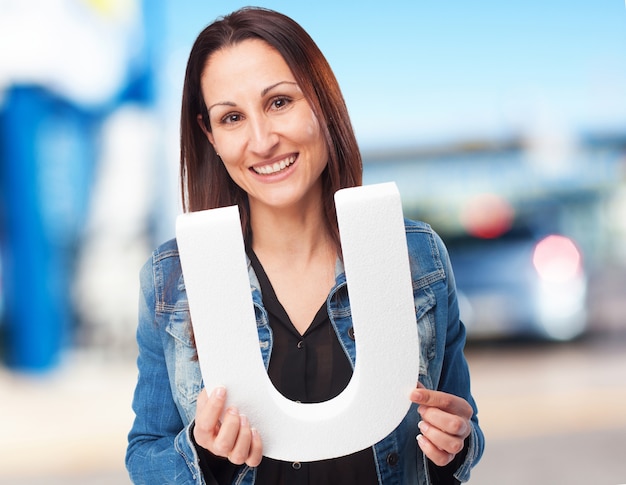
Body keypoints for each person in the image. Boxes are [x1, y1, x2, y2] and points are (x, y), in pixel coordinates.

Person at [126, 6, 484, 485]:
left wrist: (456, 445)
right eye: (231, 117)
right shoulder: (174, 277)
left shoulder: (416, 258)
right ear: (209, 136)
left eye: (279, 103)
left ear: (321, 101)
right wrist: (205, 455)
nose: (262, 140)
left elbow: (463, 428)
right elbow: (145, 457)